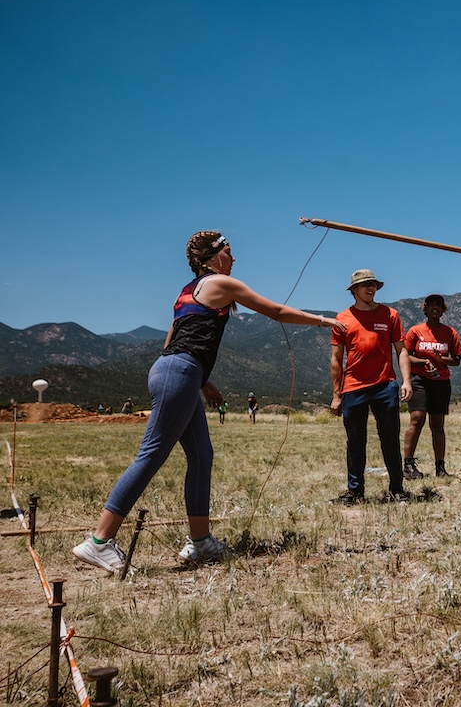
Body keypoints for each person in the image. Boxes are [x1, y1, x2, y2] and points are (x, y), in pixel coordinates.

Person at [72, 231, 344, 574]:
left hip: (176, 371)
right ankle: (99, 541)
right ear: (213, 257)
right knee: (152, 453)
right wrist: (325, 320)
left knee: (201, 455)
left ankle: (200, 543)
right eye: (229, 252)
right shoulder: (220, 283)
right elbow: (274, 310)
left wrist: (202, 381)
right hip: (180, 372)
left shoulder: (186, 292)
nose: (233, 259)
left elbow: (175, 340)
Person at [329, 269, 413, 503]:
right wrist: (336, 395)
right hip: (353, 387)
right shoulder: (342, 319)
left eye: (373, 284)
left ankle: (396, 489)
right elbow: (336, 360)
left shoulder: (390, 315)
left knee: (390, 438)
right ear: (354, 290)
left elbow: (401, 350)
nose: (370, 288)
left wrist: (406, 380)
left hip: (385, 386)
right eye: (365, 285)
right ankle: (355, 492)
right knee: (355, 441)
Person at [403, 294, 461, 478]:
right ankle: (408, 465)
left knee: (437, 424)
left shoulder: (450, 333)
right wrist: (423, 361)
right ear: (426, 308)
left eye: (438, 305)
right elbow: (405, 355)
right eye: (431, 305)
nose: (435, 308)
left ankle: (440, 468)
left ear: (442, 309)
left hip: (441, 381)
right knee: (417, 418)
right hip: (420, 379)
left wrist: (440, 359)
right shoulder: (415, 331)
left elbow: (456, 360)